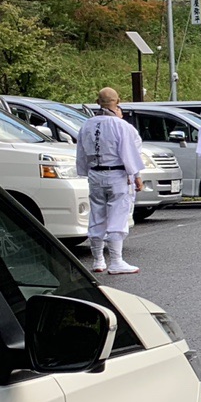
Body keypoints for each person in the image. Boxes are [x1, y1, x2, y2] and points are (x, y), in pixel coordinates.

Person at [75, 86, 146, 274]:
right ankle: (116, 261)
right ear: (118, 101)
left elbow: (81, 152)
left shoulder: (87, 125)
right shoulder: (121, 125)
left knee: (97, 215)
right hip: (116, 174)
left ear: (98, 102)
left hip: (95, 173)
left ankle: (98, 260)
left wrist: (84, 171)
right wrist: (136, 175)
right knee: (118, 216)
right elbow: (129, 153)